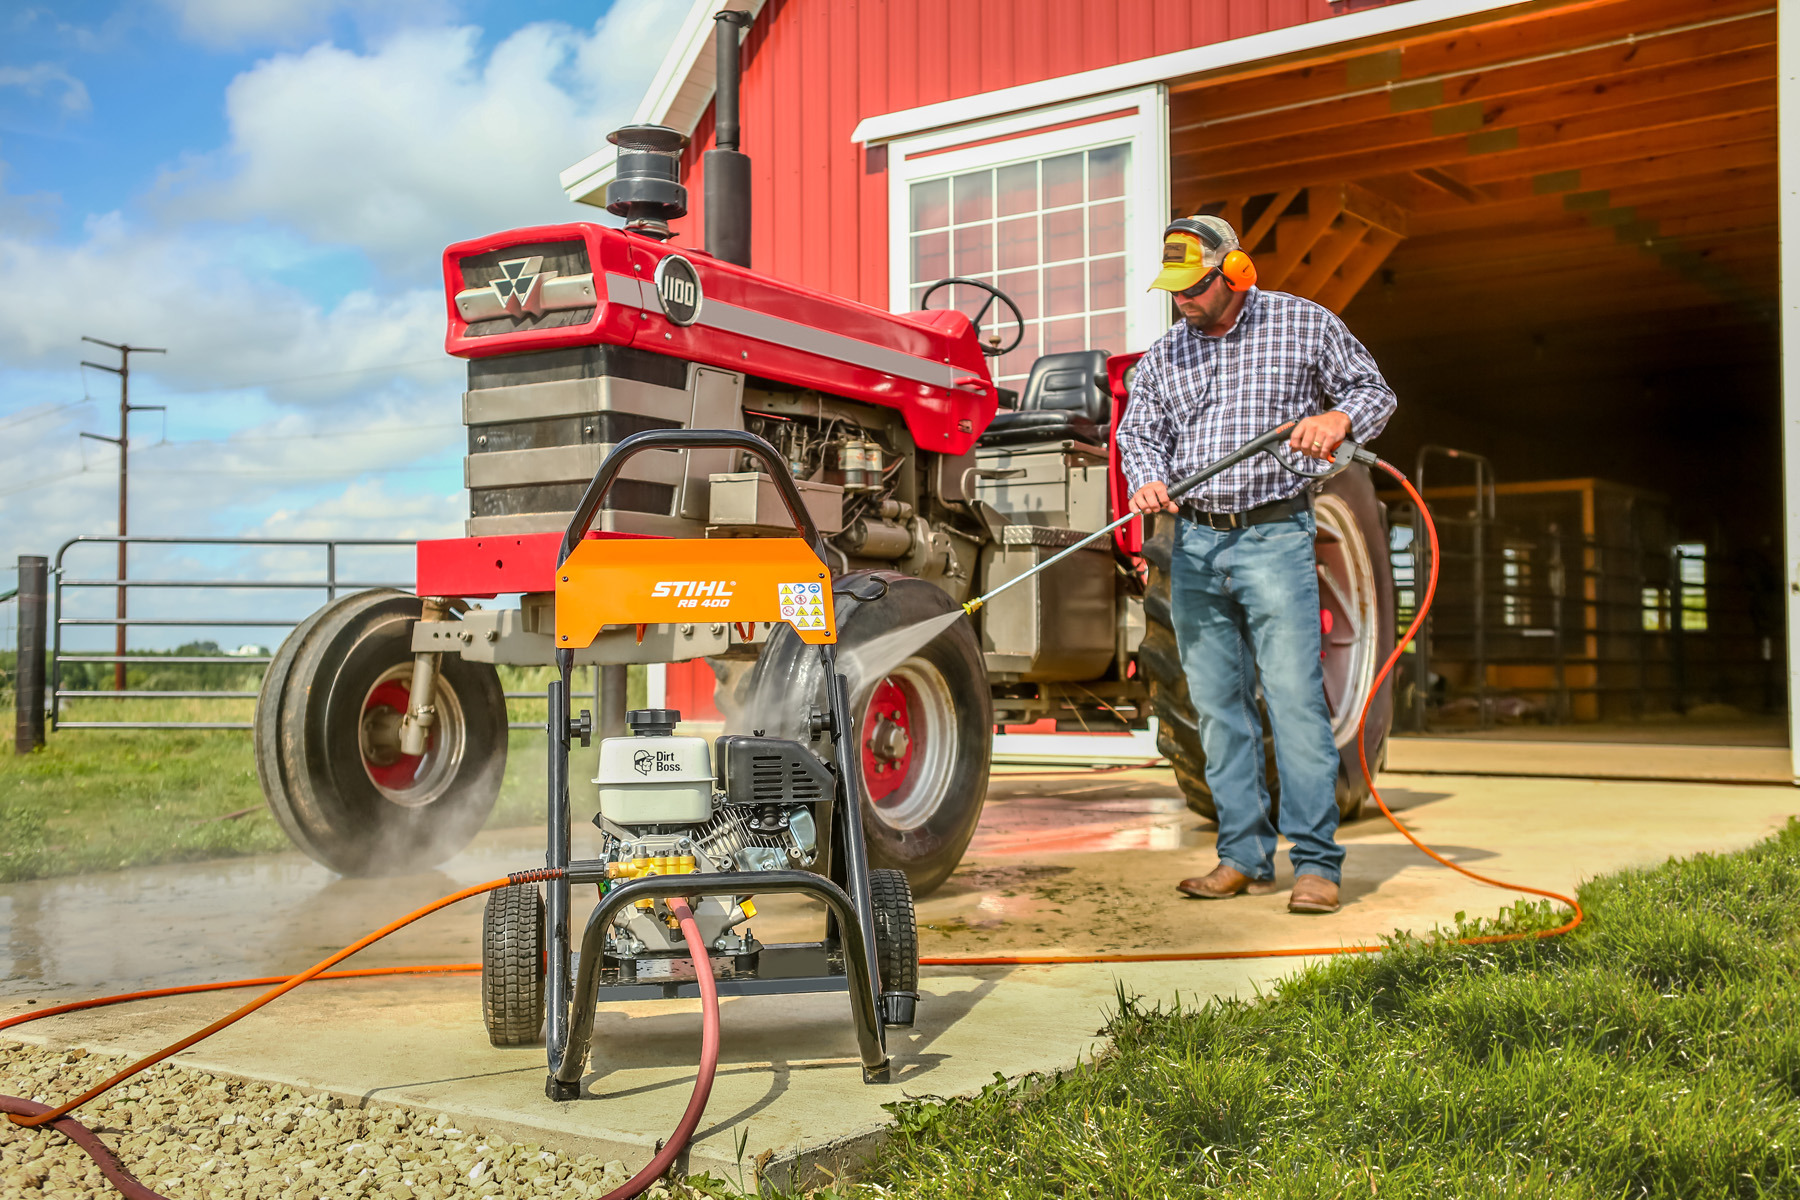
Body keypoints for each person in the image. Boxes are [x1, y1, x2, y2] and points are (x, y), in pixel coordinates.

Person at [1117, 214, 1397, 914]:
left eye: (1195, 285)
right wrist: (1146, 477)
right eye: (1173, 287)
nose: (1182, 299)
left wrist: (1338, 421)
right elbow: (1137, 432)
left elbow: (1374, 393)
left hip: (1274, 537)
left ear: (1234, 273)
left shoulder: (1304, 325)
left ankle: (1316, 864)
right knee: (1217, 709)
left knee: (1297, 704)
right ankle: (1243, 856)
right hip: (1195, 547)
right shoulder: (1164, 356)